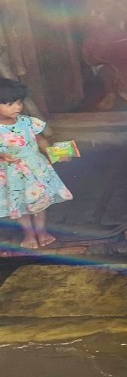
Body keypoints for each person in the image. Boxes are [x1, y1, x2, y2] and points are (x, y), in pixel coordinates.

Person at [0, 78, 73, 250]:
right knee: (20, 204)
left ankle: (41, 232)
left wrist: (55, 153)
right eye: (10, 104)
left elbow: (40, 140)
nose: (17, 107)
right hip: (11, 174)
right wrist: (2, 155)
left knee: (40, 201)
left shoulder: (27, 122)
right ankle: (28, 234)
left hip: (35, 169)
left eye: (19, 102)